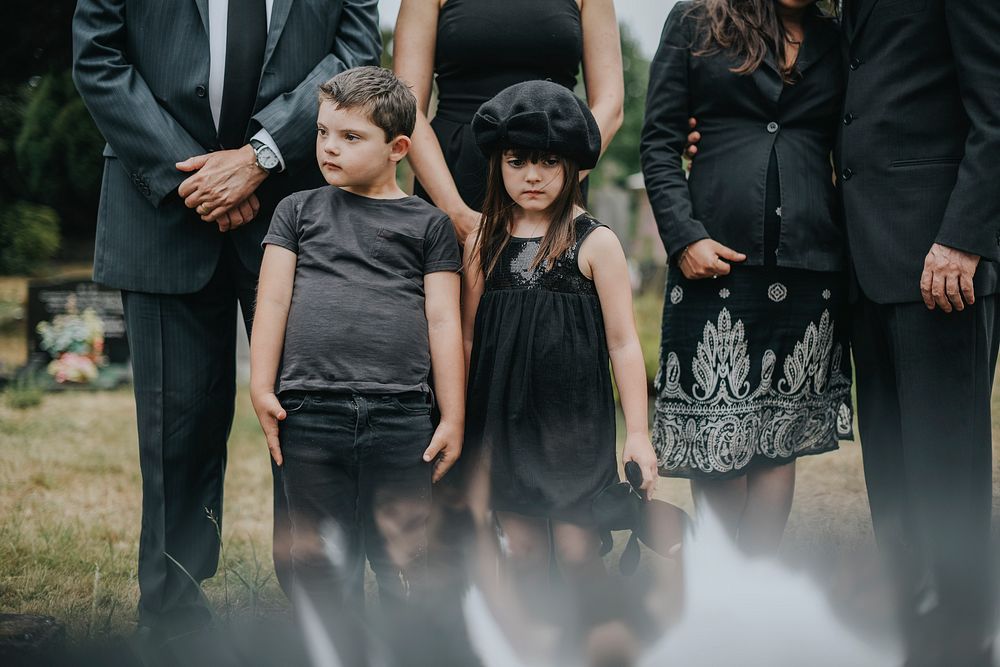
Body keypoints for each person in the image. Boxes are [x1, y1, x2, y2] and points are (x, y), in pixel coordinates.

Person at [71, 0, 380, 643]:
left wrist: (260, 156)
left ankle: (320, 608)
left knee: (312, 418)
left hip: (297, 210)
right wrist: (198, 178)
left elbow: (353, 53)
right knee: (173, 424)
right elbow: (97, 55)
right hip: (159, 204)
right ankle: (172, 611)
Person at [640, 0, 853, 555]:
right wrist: (683, 236)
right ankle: (720, 583)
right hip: (713, 257)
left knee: (778, 437)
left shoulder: (837, 35)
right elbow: (659, 142)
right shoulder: (696, 18)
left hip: (810, 262)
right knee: (717, 431)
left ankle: (756, 586)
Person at [250, 66, 464, 615]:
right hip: (310, 413)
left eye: (350, 137)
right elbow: (271, 301)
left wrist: (453, 417)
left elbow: (443, 322)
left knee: (405, 560)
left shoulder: (428, 225)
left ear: (397, 147)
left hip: (401, 417)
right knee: (321, 561)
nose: (329, 148)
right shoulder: (296, 211)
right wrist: (260, 387)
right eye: (323, 132)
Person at [462, 80, 659, 633]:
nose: (531, 175)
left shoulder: (595, 243)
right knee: (521, 552)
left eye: (549, 161)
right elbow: (471, 338)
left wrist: (638, 434)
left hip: (573, 427)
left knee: (577, 552)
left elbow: (623, 343)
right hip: (503, 423)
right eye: (517, 160)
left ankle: (598, 638)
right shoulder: (486, 242)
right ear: (498, 164)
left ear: (574, 165)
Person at [838, 1, 1000, 664]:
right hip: (868, 263)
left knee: (945, 477)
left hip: (942, 267)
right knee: (892, 479)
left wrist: (962, 237)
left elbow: (995, 105)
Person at [392, 0, 624, 242]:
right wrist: (455, 212)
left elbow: (611, 103)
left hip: (553, 169)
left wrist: (555, 181)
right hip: (452, 176)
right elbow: (408, 105)